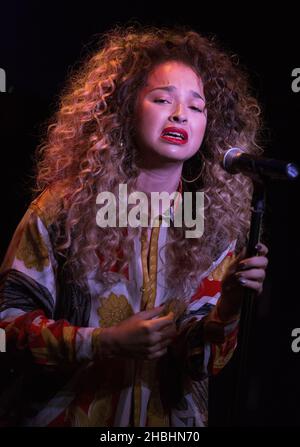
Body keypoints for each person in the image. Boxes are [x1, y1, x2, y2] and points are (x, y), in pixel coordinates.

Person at [0, 25, 269, 427]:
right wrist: (104, 343)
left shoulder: (207, 223)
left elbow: (203, 364)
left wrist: (229, 307)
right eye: (162, 99)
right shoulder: (63, 209)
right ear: (124, 107)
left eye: (197, 107)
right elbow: (7, 325)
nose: (180, 114)